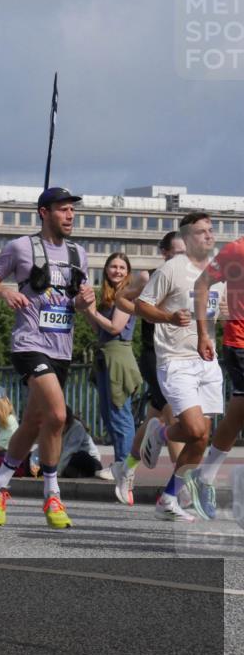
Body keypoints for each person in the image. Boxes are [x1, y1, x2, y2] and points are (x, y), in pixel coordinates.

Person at [0, 187, 95, 528]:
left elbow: (73, 301)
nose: (70, 216)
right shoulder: (21, 247)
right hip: (29, 344)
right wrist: (4, 291)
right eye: (63, 210)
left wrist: (84, 300)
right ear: (44, 212)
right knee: (57, 416)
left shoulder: (79, 254)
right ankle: (52, 494)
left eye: (72, 210)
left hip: (62, 349)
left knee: (33, 422)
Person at [136, 212, 225, 521]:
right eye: (201, 232)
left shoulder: (219, 272)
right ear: (188, 238)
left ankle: (169, 496)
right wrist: (170, 317)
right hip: (175, 360)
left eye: (211, 231)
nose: (209, 236)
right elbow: (142, 306)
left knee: (202, 437)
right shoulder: (172, 269)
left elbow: (216, 310)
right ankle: (161, 432)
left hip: (207, 361)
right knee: (194, 429)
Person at [112, 232, 187, 505]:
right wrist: (143, 309)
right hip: (155, 356)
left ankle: (127, 467)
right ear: (165, 253)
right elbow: (121, 300)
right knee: (176, 418)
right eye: (177, 252)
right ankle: (180, 490)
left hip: (181, 357)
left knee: (155, 418)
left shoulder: (192, 279)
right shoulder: (149, 277)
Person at [192, 234, 244, 521]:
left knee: (237, 413)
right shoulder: (236, 249)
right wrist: (202, 333)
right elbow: (202, 283)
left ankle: (206, 476)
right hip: (240, 342)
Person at [82, 252, 141, 483]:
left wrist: (92, 311)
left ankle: (124, 466)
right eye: (113, 266)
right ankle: (120, 464)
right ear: (106, 270)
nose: (117, 271)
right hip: (106, 354)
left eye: (122, 267)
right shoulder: (109, 295)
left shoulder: (127, 295)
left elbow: (115, 328)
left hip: (118, 355)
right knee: (109, 414)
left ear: (128, 272)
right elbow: (100, 330)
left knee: (119, 414)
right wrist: (88, 309)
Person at [30, 406, 103, 478]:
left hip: (86, 461)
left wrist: (55, 474)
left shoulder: (77, 428)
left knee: (79, 457)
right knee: (32, 458)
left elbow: (69, 452)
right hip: (64, 462)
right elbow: (40, 449)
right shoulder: (51, 428)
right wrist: (34, 465)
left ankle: (64, 473)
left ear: (66, 423)